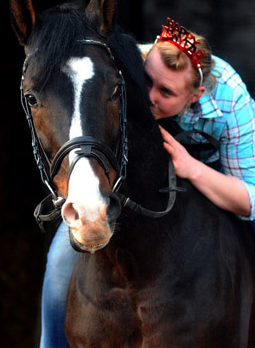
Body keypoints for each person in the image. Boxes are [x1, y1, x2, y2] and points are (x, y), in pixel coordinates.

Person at [40, 18, 255, 348]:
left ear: (195, 95)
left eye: (166, 92)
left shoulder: (231, 100)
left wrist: (191, 168)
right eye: (147, 81)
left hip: (214, 179)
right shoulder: (122, 63)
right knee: (58, 264)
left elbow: (248, 200)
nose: (150, 97)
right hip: (131, 185)